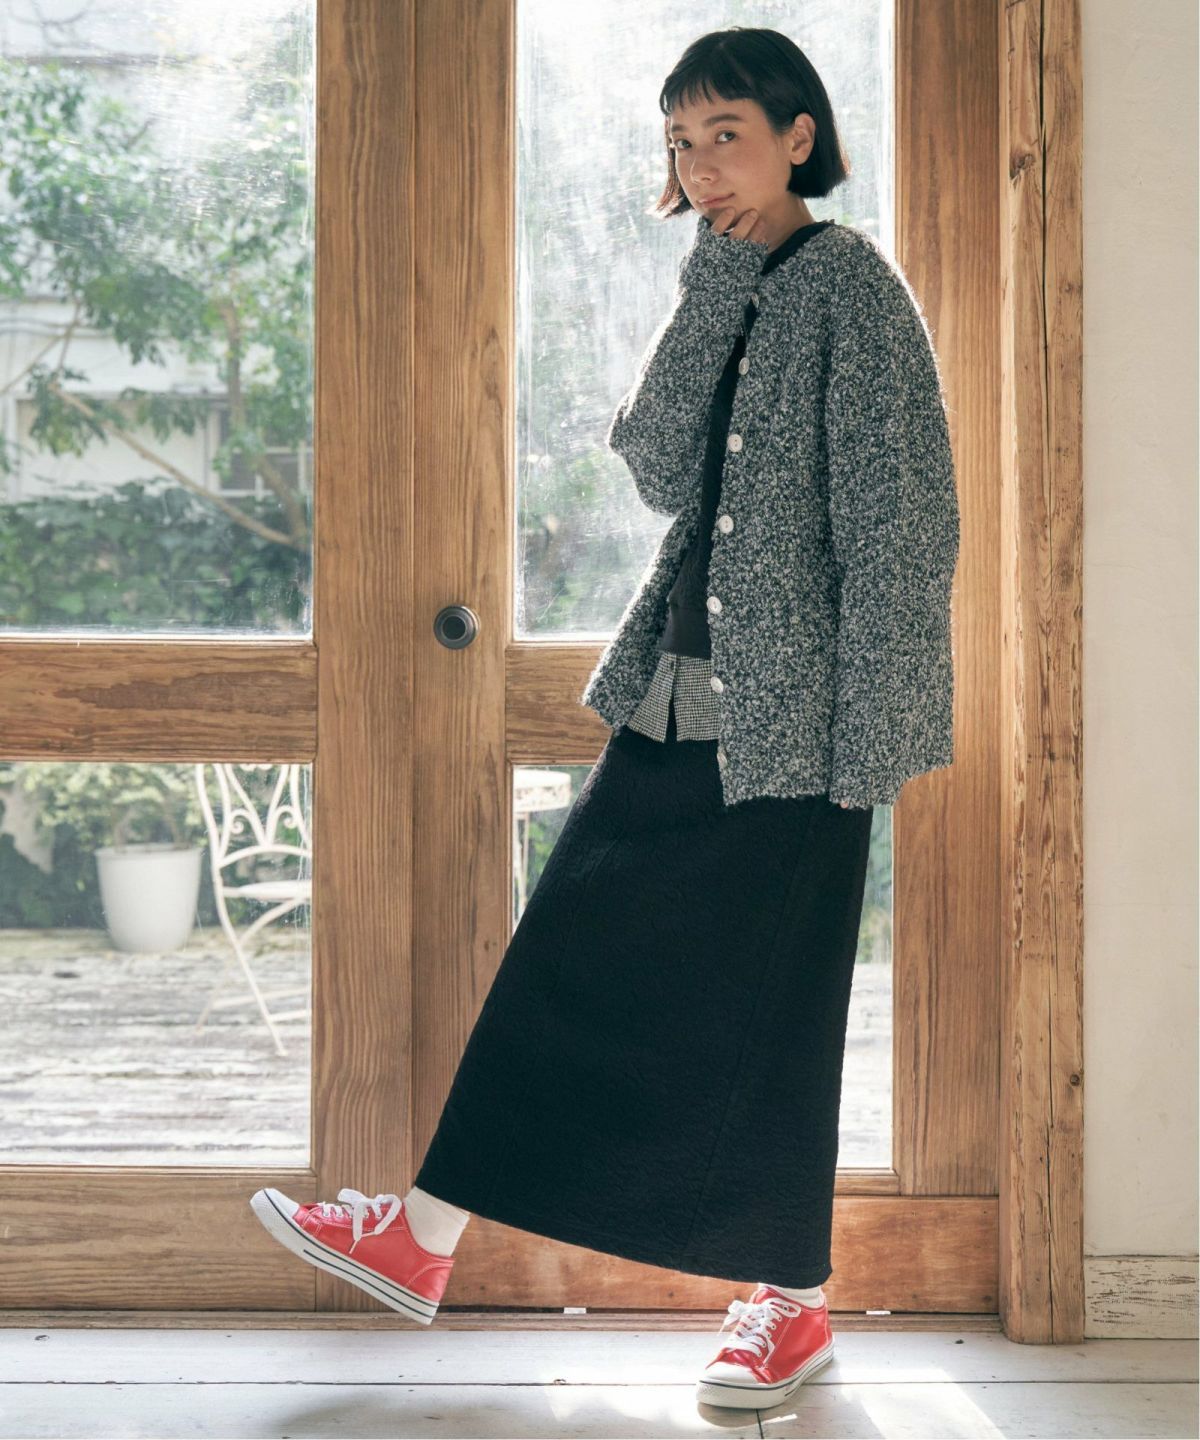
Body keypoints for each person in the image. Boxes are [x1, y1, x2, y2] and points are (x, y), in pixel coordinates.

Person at [250, 24, 959, 1414]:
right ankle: (422, 1236)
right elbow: (654, 462)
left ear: (798, 136)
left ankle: (791, 1309)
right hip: (676, 697)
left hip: (805, 731)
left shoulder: (855, 288)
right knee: (569, 962)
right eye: (682, 145)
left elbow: (903, 530)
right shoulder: (729, 279)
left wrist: (871, 748)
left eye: (727, 137)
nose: (702, 167)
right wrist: (712, 282)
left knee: (774, 1013)